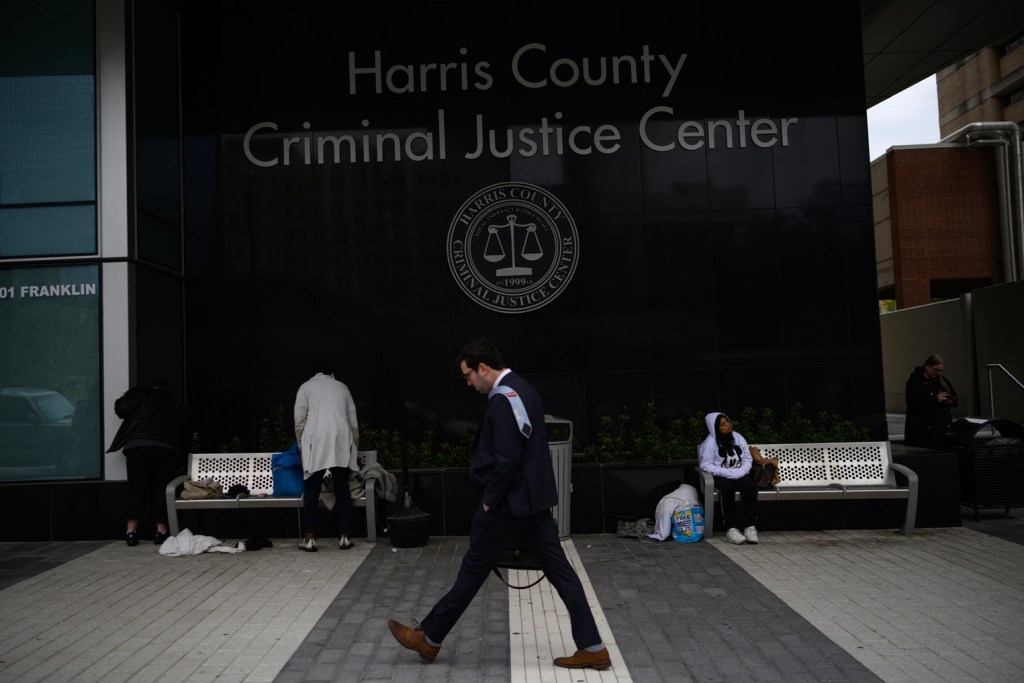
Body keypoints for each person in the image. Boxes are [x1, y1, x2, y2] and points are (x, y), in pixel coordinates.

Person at [387, 338, 611, 671]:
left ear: (483, 368)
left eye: (468, 376)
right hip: (533, 504)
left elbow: (507, 460)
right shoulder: (524, 389)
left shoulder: (502, 402)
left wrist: (489, 502)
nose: (468, 383)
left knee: (472, 571)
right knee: (563, 574)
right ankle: (593, 648)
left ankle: (428, 638)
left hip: (508, 505)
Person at [107, 380, 186, 546]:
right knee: (161, 490)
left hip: (139, 446)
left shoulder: (141, 393)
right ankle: (161, 531)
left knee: (137, 489)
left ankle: (131, 532)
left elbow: (121, 409)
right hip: (166, 448)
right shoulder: (173, 403)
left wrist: (124, 397)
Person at [294, 369, 360, 552]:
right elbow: (353, 422)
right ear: (331, 374)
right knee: (342, 488)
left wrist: (302, 445)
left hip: (315, 442)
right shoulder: (342, 387)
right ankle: (345, 537)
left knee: (312, 490)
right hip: (341, 440)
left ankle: (310, 539)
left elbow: (299, 420)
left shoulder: (305, 387)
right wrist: (354, 447)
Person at [698, 412, 759, 545]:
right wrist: (728, 473)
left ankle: (750, 526)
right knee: (727, 489)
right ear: (715, 428)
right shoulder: (710, 443)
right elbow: (705, 465)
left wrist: (742, 471)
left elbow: (747, 458)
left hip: (740, 473)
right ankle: (730, 529)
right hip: (722, 475)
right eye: (723, 424)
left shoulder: (737, 437)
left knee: (750, 487)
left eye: (728, 422)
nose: (728, 425)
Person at [904, 353, 958, 448]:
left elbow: (953, 397)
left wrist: (950, 401)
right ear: (927, 366)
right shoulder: (915, 381)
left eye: (940, 371)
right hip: (923, 431)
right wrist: (936, 399)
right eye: (935, 370)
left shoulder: (942, 380)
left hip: (941, 429)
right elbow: (913, 403)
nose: (937, 373)